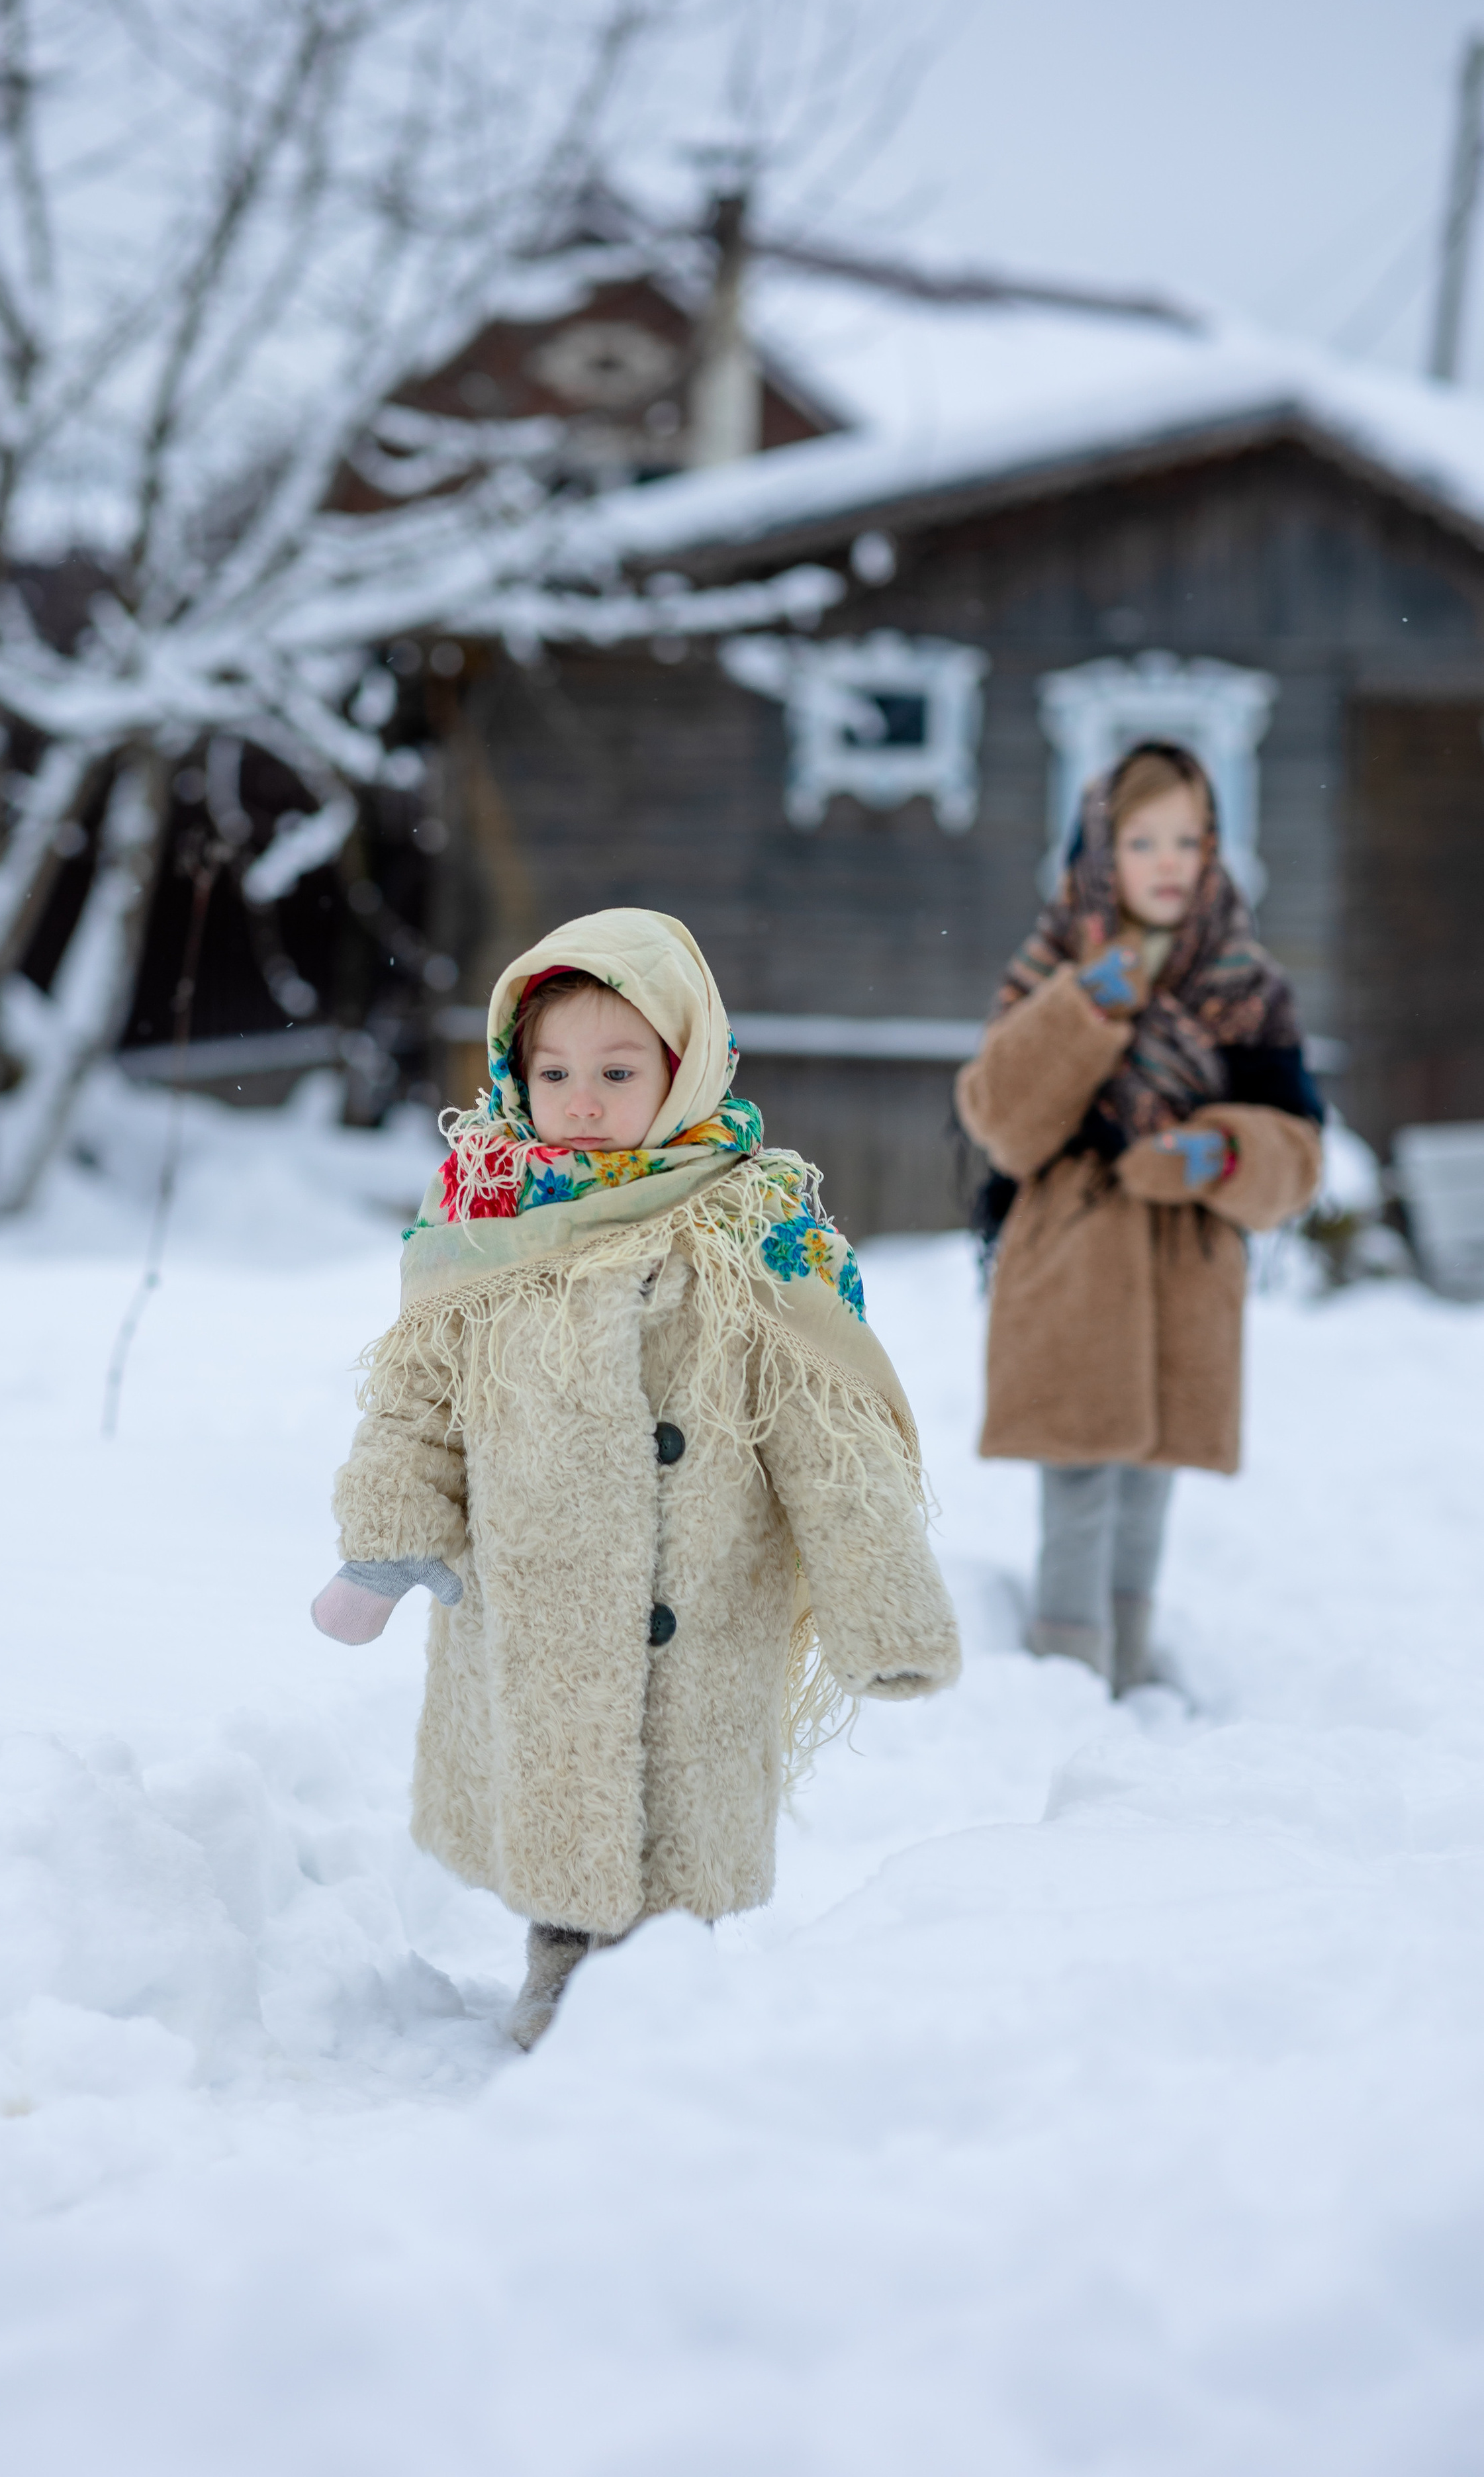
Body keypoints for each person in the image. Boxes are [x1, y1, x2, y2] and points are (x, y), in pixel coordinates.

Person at [312, 908, 960, 2047]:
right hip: (537, 1605)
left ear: (687, 1067)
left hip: (698, 1608)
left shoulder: (752, 1228)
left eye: (618, 1071)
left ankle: (668, 1994)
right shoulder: (488, 1216)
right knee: (564, 1803)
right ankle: (557, 1973)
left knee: (677, 1822)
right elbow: (418, 1400)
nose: (583, 1101)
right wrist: (386, 1540)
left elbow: (833, 1437)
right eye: (554, 1073)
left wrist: (884, 1606)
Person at [955, 741, 1324, 1697]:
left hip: (1185, 1262)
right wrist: (1084, 1007)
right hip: (1074, 1253)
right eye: (1143, 841)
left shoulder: (1244, 983)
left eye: (1188, 841)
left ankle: (1124, 1679)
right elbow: (1003, 1121)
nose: (1169, 863)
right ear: (1098, 852)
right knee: (1080, 1480)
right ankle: (1067, 1682)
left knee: (1151, 1480)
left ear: (1215, 850)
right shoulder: (1054, 962)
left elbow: (1299, 1150)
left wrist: (1222, 1153)